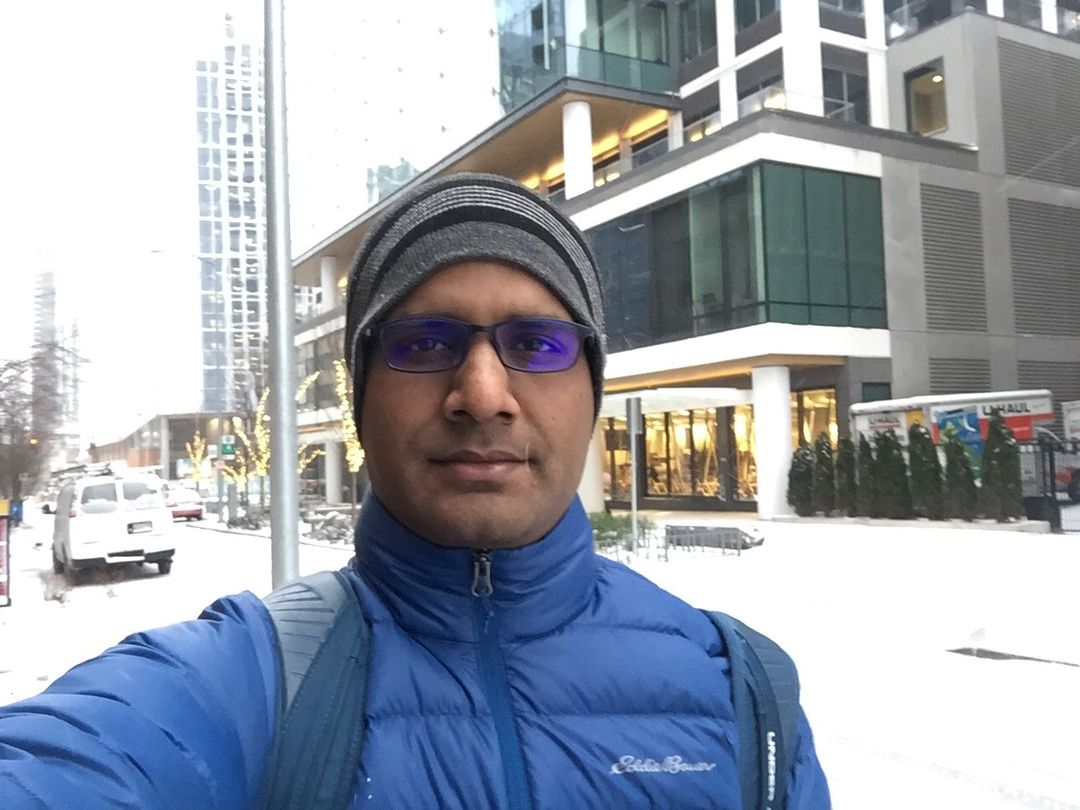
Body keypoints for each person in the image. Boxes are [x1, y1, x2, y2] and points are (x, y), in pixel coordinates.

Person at [0, 173, 830, 808]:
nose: (483, 394)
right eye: (425, 343)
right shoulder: (249, 685)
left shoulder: (747, 699)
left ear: (592, 392)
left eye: (537, 344)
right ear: (363, 401)